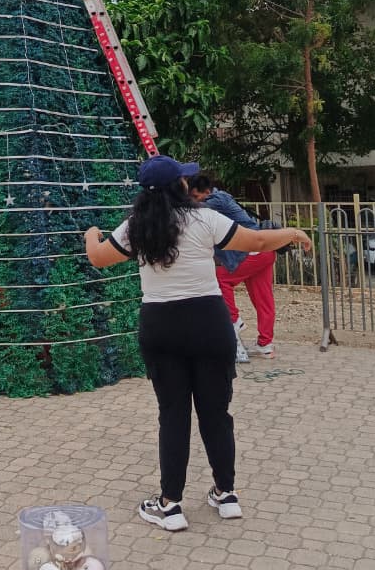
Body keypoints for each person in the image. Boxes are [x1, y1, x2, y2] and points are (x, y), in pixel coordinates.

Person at [84, 155, 311, 531]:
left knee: (173, 415)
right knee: (216, 413)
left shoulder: (136, 226)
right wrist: (293, 233)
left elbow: (97, 257)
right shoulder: (205, 218)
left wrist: (92, 233)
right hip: (209, 323)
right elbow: (256, 239)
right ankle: (227, 495)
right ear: (180, 186)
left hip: (161, 326)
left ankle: (170, 505)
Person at [188, 172, 277, 362]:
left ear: (206, 192)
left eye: (196, 196)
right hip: (263, 252)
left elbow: (192, 211)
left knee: (221, 279)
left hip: (252, 251)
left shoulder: (216, 200)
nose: (194, 200)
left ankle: (235, 320)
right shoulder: (221, 197)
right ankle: (266, 344)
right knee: (263, 298)